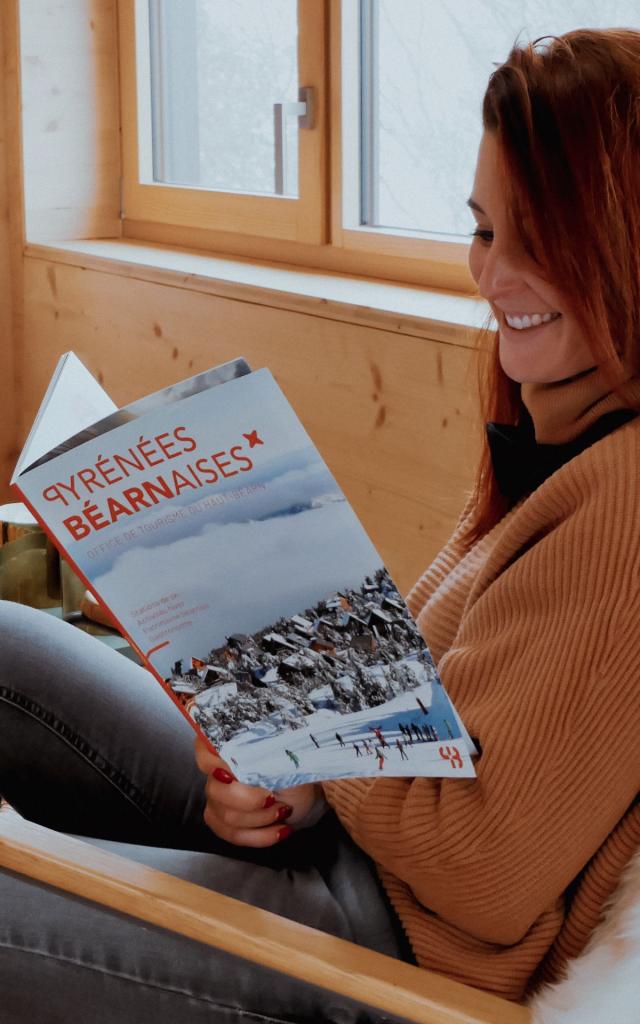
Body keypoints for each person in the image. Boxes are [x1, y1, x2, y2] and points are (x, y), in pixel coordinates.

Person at [2, 25, 640, 1019]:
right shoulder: (556, 431)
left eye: (538, 236)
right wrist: (283, 765)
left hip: (391, 945)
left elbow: (482, 874)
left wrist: (315, 745)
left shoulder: (626, 500)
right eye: (483, 229)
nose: (493, 272)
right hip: (352, 847)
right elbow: (411, 713)